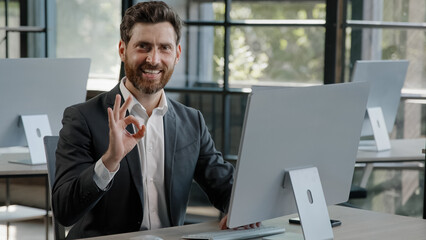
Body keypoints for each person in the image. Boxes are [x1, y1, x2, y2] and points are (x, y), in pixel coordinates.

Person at [52, 1, 239, 239]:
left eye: (164, 48)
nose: (154, 59)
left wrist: (238, 209)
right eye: (143, 46)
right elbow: (64, 211)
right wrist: (110, 161)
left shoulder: (192, 122)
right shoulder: (83, 118)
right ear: (122, 50)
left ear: (177, 54)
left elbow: (224, 186)